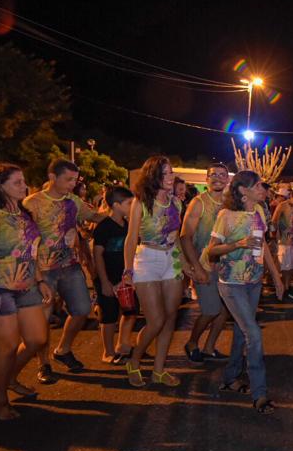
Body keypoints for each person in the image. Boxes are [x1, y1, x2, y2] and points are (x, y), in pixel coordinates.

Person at [0, 165, 54, 420]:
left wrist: (39, 279)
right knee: (7, 347)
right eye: (17, 182)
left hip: (27, 287)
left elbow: (31, 252)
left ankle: (10, 378)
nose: (24, 186)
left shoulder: (25, 214)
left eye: (23, 181)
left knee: (37, 339)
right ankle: (0, 401)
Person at [205, 170, 285, 413]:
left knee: (242, 332)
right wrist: (238, 244)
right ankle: (259, 394)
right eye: (258, 185)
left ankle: (230, 377)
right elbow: (211, 251)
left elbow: (264, 247)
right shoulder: (226, 216)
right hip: (231, 283)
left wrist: (276, 276)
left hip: (254, 282)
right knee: (254, 334)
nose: (263, 189)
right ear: (242, 190)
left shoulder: (259, 211)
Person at [23, 160, 104, 383]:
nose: (72, 184)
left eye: (75, 180)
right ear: (52, 177)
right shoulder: (32, 203)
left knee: (82, 310)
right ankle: (43, 364)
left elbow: (93, 216)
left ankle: (63, 350)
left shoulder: (73, 201)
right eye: (68, 179)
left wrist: (122, 210)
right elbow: (23, 240)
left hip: (70, 266)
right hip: (42, 270)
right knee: (43, 320)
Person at [122, 156, 192, 388]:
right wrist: (128, 270)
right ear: (153, 176)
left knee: (170, 317)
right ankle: (134, 360)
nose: (171, 177)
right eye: (165, 173)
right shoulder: (140, 202)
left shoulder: (176, 203)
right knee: (156, 320)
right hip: (147, 259)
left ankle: (159, 370)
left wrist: (186, 264)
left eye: (171, 172)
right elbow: (131, 238)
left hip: (171, 260)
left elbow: (176, 238)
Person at [179, 164, 232, 364]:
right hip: (205, 266)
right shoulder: (199, 203)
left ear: (227, 179)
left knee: (225, 310)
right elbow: (185, 237)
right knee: (211, 310)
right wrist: (196, 267)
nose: (218, 178)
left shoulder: (230, 203)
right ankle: (192, 343)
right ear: (207, 179)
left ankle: (209, 348)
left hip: (226, 267)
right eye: (213, 175)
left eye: (222, 175)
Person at [92, 186, 136, 364]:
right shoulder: (103, 227)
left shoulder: (129, 225)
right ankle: (108, 352)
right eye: (129, 203)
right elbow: (97, 255)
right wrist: (104, 282)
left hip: (125, 277)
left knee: (130, 311)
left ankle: (122, 345)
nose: (133, 206)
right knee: (109, 317)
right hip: (108, 278)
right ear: (116, 205)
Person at [272, 185, 293, 299]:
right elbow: (274, 221)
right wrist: (274, 235)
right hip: (284, 240)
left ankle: (286, 285)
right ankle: (285, 287)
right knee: (285, 266)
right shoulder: (282, 205)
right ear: (291, 196)